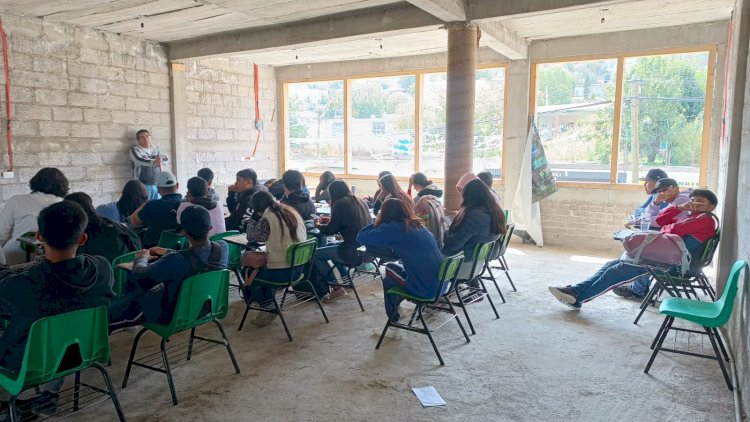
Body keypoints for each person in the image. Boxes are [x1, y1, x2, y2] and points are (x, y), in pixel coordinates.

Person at [0, 201, 114, 416]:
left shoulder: (22, 286)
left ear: (39, 237)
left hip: (26, 362)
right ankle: (48, 395)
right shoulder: (102, 269)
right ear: (82, 238)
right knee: (63, 323)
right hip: (81, 352)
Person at [549, 189, 719, 309]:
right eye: (693, 200)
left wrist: (668, 227)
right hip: (668, 257)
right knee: (611, 264)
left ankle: (577, 297)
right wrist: (679, 208)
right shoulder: (693, 217)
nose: (695, 203)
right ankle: (576, 291)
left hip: (674, 264)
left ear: (711, 206)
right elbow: (661, 222)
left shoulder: (705, 219)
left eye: (701, 201)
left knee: (616, 271)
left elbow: (671, 229)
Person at [110, 205, 228, 327]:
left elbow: (139, 273)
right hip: (207, 308)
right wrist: (169, 252)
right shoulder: (223, 248)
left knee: (137, 288)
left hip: (173, 315)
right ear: (210, 227)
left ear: (184, 232)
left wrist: (142, 257)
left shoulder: (175, 260)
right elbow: (196, 255)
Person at [357, 198, 444, 322]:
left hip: (425, 289)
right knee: (394, 267)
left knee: (389, 274)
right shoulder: (417, 225)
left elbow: (360, 237)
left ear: (384, 213)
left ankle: (394, 318)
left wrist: (379, 222)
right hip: (442, 284)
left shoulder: (393, 228)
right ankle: (397, 309)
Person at [242, 191, 308, 326]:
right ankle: (268, 301)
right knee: (262, 266)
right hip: (299, 267)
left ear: (257, 209)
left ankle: (269, 305)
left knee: (247, 271)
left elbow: (252, 237)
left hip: (283, 272)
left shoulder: (268, 218)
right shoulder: (289, 211)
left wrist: (253, 218)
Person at [312, 180, 373, 302]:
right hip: (367, 250)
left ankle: (337, 288)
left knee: (315, 255)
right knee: (331, 245)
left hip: (352, 251)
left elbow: (330, 230)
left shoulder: (340, 203)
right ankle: (346, 283)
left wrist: (318, 225)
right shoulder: (359, 201)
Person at [615, 168, 669, 298]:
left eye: (647, 182)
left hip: (660, 240)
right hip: (654, 235)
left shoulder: (663, 199)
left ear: (658, 183)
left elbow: (653, 219)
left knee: (642, 253)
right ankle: (638, 286)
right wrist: (639, 218)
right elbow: (640, 211)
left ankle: (638, 289)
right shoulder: (654, 196)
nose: (644, 185)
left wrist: (639, 219)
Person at [0, 168, 68, 266]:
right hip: (52, 262)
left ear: (35, 182)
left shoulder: (16, 201)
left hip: (13, 260)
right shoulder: (67, 206)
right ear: (63, 186)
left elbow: (1, 233)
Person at [443, 179, 506, 284]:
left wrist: (446, 231)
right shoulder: (495, 211)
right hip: (477, 263)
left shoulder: (475, 215)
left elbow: (453, 245)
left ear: (469, 196)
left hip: (462, 264)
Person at [65, 192, 141, 263]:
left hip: (101, 271)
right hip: (126, 269)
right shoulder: (115, 225)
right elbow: (136, 244)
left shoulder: (77, 235)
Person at [130, 171, 183, 248]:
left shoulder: (152, 205)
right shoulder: (185, 204)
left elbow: (134, 221)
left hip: (152, 251)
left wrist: (145, 204)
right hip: (179, 248)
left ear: (158, 189)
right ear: (177, 185)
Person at [130, 129, 169, 200]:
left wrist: (161, 160)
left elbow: (166, 160)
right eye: (142, 137)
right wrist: (154, 162)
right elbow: (139, 160)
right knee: (144, 204)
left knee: (158, 204)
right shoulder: (135, 149)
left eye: (147, 136)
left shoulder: (157, 148)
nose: (146, 139)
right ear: (138, 140)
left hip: (157, 184)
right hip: (142, 185)